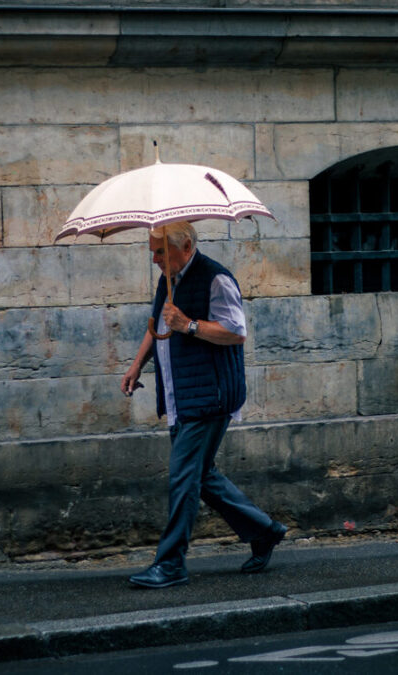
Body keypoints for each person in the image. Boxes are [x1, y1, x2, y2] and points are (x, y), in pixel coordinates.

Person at [121, 221, 287, 589]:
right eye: (152, 251)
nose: (154, 258)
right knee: (202, 476)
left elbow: (235, 332)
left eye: (160, 251)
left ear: (185, 246)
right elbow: (157, 327)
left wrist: (189, 325)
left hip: (208, 396)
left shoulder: (216, 279)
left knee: (183, 478)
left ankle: (171, 564)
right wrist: (136, 365)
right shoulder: (171, 279)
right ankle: (265, 531)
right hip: (182, 396)